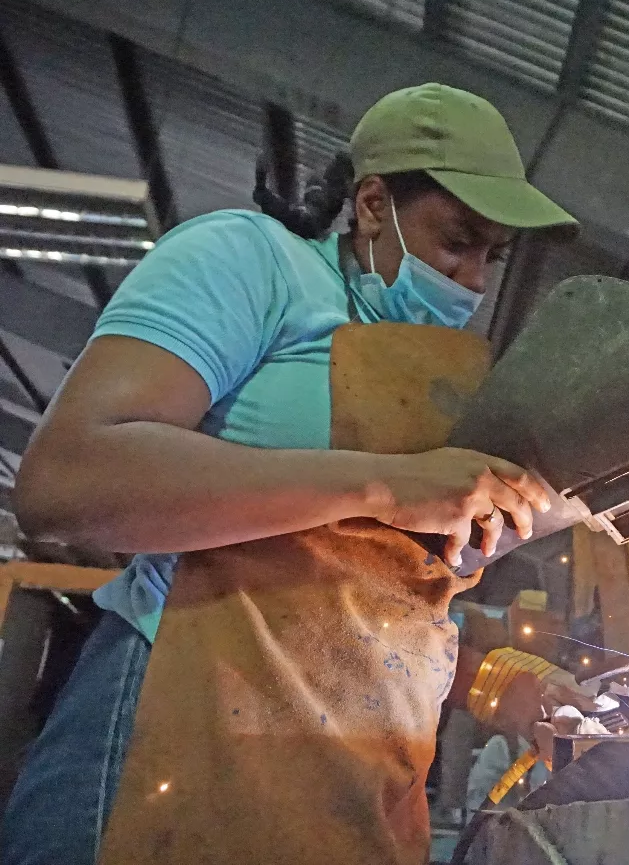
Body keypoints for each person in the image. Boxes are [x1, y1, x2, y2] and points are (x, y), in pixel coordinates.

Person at [2, 83, 592, 865]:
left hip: (357, 780)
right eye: (457, 241)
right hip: (183, 732)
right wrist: (384, 484)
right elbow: (67, 482)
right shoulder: (256, 262)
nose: (474, 281)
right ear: (373, 205)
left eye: (492, 256)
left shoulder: (445, 378)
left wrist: (494, 682)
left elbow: (359, 609)